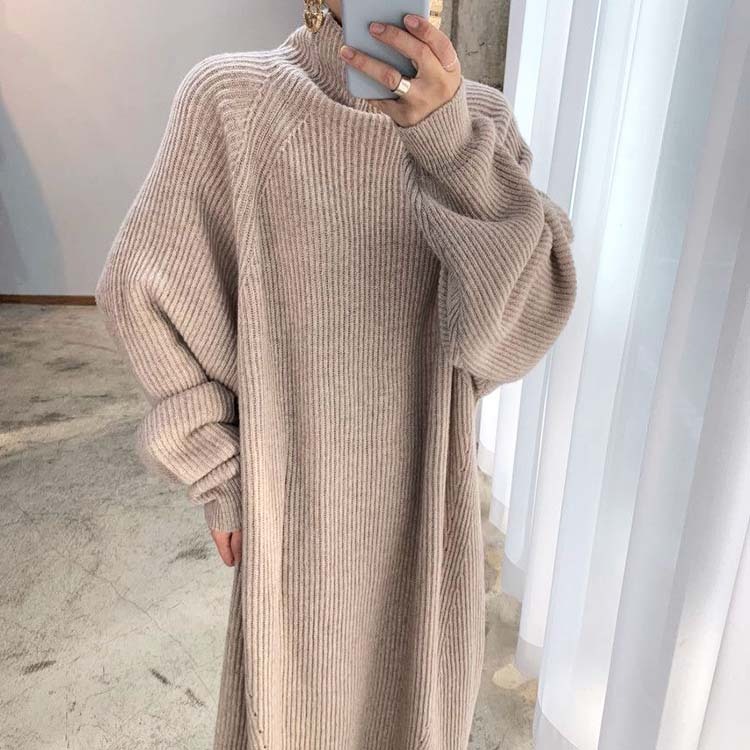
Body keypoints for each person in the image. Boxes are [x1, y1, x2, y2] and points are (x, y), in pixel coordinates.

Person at [95, 1, 577, 747]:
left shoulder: (481, 126)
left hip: (424, 507)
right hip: (292, 505)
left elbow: (510, 336)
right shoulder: (233, 98)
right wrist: (217, 470)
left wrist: (450, 148)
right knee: (292, 714)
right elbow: (141, 289)